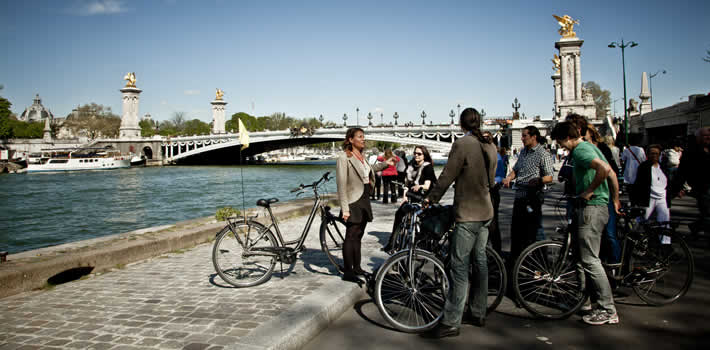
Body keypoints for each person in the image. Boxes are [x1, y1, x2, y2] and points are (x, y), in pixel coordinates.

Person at [423, 108, 496, 338]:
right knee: (480, 262)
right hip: (486, 211)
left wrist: (431, 198)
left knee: (459, 267)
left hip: (468, 213)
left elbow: (447, 175)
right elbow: (492, 179)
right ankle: (478, 312)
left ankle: (452, 321)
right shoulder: (489, 144)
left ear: (461, 123)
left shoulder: (463, 144)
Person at [550, 120, 621, 326]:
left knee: (590, 260)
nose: (561, 147)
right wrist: (614, 200)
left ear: (567, 138)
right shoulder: (592, 147)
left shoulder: (580, 151)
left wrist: (589, 191)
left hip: (591, 209)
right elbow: (612, 173)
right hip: (599, 207)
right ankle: (590, 302)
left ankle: (608, 309)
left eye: (560, 143)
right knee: (585, 258)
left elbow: (604, 170)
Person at [336, 128, 394, 282]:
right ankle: (348, 272)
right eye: (360, 137)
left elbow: (369, 171)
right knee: (351, 235)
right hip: (353, 199)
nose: (363, 139)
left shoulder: (362, 156)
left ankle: (357, 267)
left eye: (364, 137)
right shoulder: (344, 158)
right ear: (350, 139)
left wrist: (385, 164)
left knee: (359, 234)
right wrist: (345, 208)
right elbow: (341, 185)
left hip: (364, 198)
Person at [502, 126, 554, 267]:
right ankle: (517, 262)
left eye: (525, 136)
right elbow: (516, 170)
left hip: (533, 197)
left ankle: (542, 263)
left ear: (534, 137)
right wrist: (508, 178)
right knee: (517, 231)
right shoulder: (523, 152)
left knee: (535, 231)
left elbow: (550, 176)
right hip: (519, 196)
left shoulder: (543, 154)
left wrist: (539, 180)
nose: (522, 138)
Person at [383, 145, 437, 252]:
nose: (416, 155)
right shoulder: (411, 166)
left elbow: (427, 186)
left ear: (424, 155)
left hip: (425, 197)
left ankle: (423, 243)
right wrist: (404, 197)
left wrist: (419, 186)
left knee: (424, 219)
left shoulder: (428, 167)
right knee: (399, 214)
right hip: (412, 196)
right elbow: (406, 184)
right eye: (415, 153)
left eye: (419, 154)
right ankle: (392, 243)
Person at [677, 127, 710, 235]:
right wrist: (678, 188)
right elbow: (682, 172)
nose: (708, 137)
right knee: (707, 214)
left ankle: (696, 227)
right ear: (698, 138)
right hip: (703, 188)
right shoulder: (691, 152)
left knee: (706, 216)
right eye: (705, 135)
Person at [634, 145, 670, 223]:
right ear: (647, 155)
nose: (654, 155)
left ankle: (664, 235)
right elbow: (638, 184)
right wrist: (637, 200)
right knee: (642, 219)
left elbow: (669, 181)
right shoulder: (643, 167)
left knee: (664, 222)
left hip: (662, 198)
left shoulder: (663, 167)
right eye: (652, 153)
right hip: (649, 198)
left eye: (657, 153)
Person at [486, 132, 507, 255]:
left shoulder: (496, 156)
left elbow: (500, 176)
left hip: (492, 193)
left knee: (493, 225)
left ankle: (497, 253)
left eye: (487, 138)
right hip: (483, 194)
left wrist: (493, 182)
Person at [621, 134, 646, 202]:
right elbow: (644, 159)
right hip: (638, 168)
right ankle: (638, 199)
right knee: (638, 184)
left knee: (631, 185)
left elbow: (623, 159)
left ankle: (632, 200)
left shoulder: (627, 150)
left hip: (629, 168)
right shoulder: (641, 149)